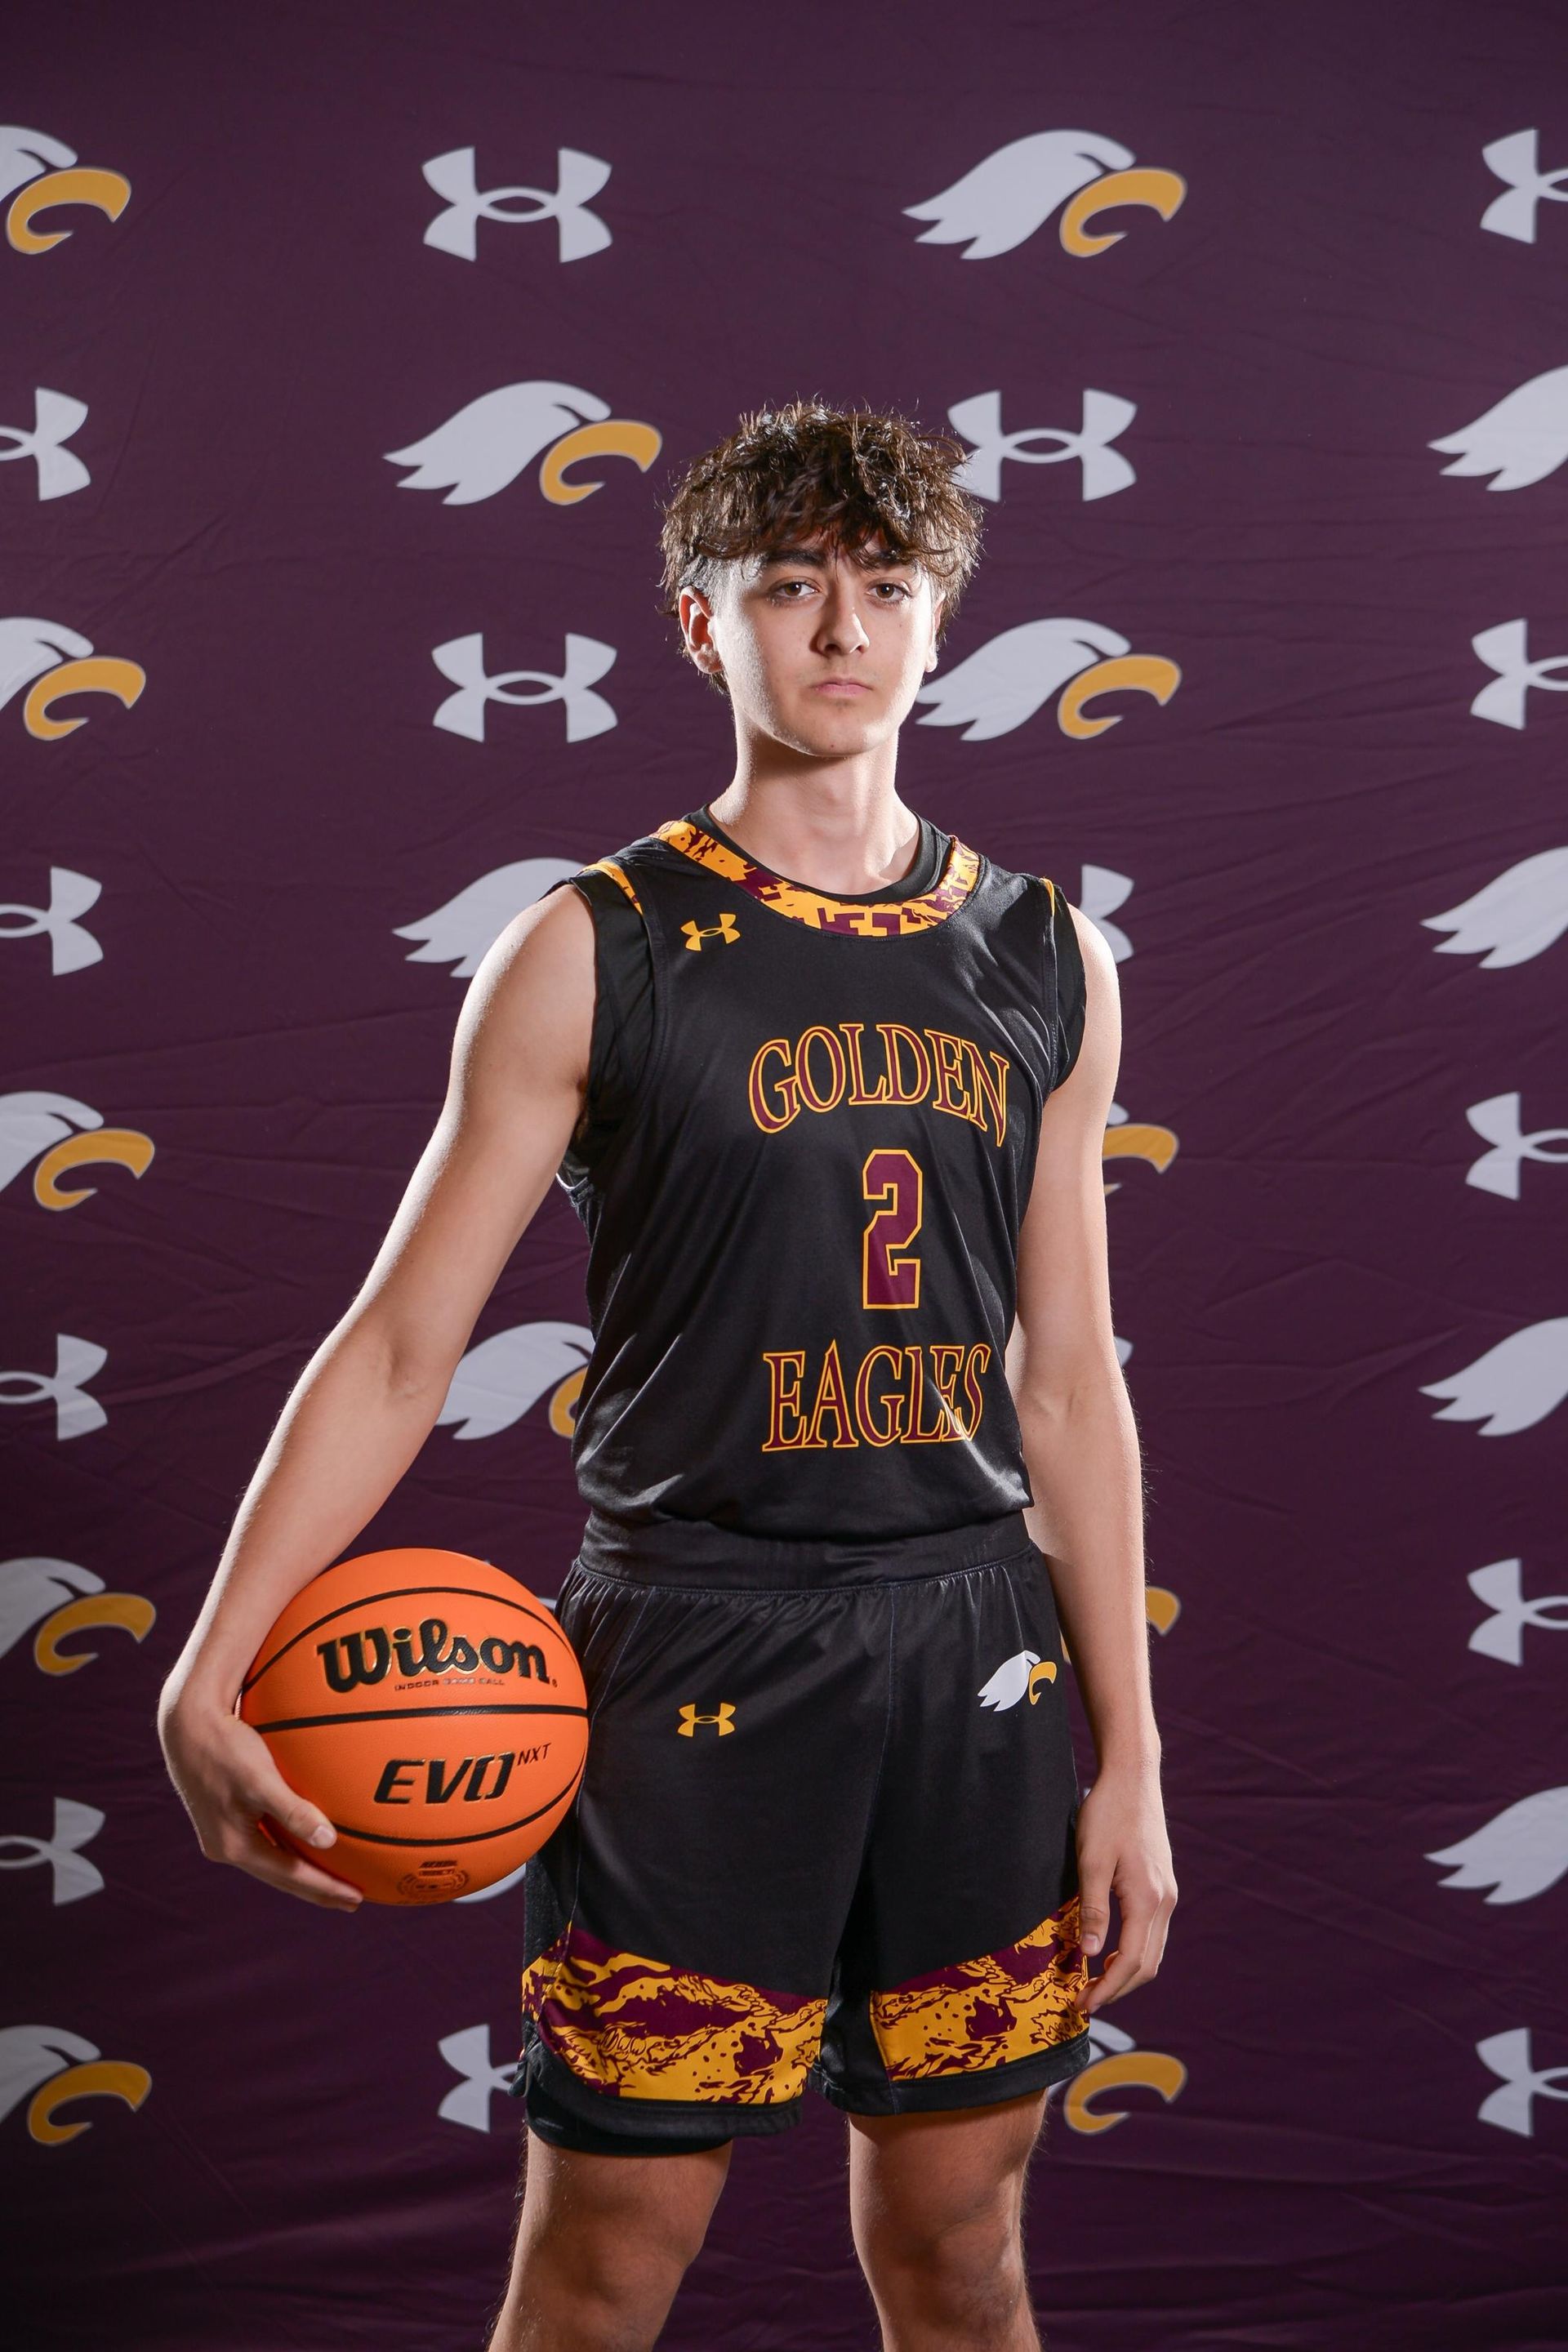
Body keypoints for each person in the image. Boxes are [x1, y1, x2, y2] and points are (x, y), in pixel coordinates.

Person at [158, 397, 1175, 2352]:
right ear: (700, 628)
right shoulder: (591, 944)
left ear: (943, 623)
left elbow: (1068, 1379)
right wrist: (217, 1659)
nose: (842, 630)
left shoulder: (1047, 952)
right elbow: (397, 1346)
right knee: (610, 2267)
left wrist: (1132, 1754)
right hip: (691, 1646)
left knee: (962, 2255)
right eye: (787, 588)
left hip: (971, 1648)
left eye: (886, 588)